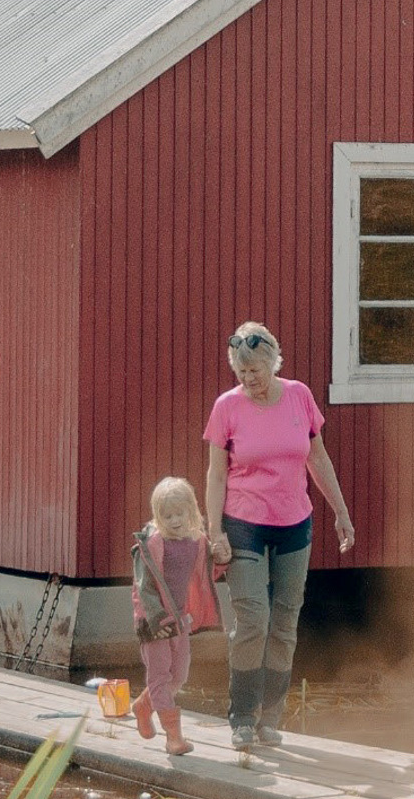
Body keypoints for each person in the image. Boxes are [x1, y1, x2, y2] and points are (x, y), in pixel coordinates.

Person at [205, 320, 356, 750]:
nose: (249, 379)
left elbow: (318, 459)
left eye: (255, 369)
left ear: (272, 361)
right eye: (241, 372)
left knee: (285, 622)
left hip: (294, 522)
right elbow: (217, 475)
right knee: (253, 620)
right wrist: (214, 531)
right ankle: (241, 716)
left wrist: (341, 512)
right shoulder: (226, 407)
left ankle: (271, 717)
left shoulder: (299, 396)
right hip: (244, 523)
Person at [130, 476, 223, 756]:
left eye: (180, 513)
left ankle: (143, 706)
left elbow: (206, 575)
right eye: (167, 515)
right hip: (154, 621)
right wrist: (156, 619)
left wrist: (221, 557)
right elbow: (143, 587)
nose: (174, 520)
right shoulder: (151, 545)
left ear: (191, 512)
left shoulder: (196, 542)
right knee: (159, 677)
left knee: (178, 676)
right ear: (158, 516)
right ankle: (174, 738)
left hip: (181, 619)